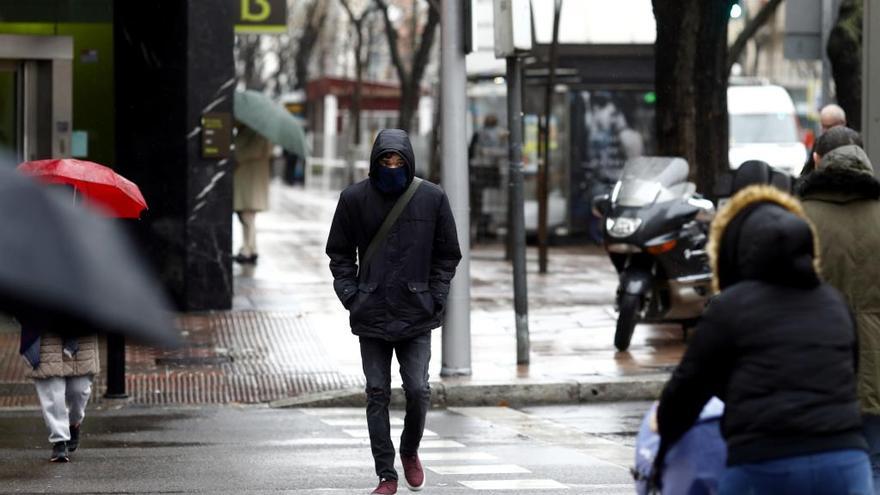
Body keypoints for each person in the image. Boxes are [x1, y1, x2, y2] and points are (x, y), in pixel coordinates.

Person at [654, 184, 871, 494]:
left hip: (763, 463)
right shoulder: (835, 303)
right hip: (844, 461)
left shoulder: (729, 308)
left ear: (739, 252)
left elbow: (688, 390)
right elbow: (850, 373)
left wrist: (664, 437)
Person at [326, 129, 462, 495]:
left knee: (418, 389)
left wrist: (435, 295)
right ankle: (386, 474)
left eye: (397, 160)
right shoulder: (354, 198)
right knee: (376, 392)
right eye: (385, 160)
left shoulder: (431, 198)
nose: (391, 166)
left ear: (408, 160)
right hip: (371, 311)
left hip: (417, 311)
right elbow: (338, 253)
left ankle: (410, 450)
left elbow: (448, 254)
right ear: (375, 161)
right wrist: (351, 294)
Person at [796, 126, 880, 492]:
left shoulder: (798, 219)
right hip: (878, 365)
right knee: (875, 464)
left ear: (817, 161)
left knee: (816, 469)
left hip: (816, 365)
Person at [20, 320, 99, 463]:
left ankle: (74, 423)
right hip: (44, 335)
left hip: (80, 333)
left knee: (79, 390)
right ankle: (59, 441)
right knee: (52, 394)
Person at [233, 123, 274, 264]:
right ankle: (252, 248)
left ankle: (247, 249)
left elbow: (254, 150)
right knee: (247, 216)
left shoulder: (258, 132)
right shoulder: (248, 130)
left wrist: (235, 156)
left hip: (251, 179)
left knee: (247, 216)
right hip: (247, 178)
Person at [468, 114, 506, 240]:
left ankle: (484, 228)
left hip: (484, 170)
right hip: (490, 171)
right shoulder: (501, 134)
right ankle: (485, 228)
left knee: (482, 202)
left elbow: (471, 153)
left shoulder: (481, 133)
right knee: (488, 202)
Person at [801, 103, 848, 176]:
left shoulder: (852, 142)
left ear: (843, 123)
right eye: (823, 127)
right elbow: (806, 174)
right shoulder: (819, 143)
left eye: (829, 127)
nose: (825, 131)